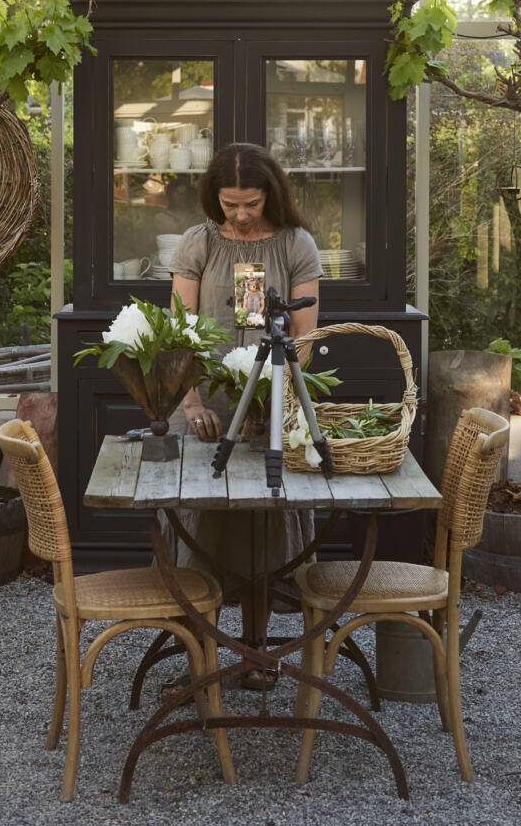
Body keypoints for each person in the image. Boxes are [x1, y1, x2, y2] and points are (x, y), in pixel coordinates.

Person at [169, 141, 323, 691]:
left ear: (271, 195)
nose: (238, 214)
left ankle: (259, 652)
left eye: (250, 203)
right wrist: (190, 405)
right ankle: (199, 660)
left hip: (271, 404)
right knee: (198, 528)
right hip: (206, 405)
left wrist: (272, 402)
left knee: (266, 527)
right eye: (229, 203)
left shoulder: (296, 243)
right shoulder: (198, 242)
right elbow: (179, 331)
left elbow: (304, 342)